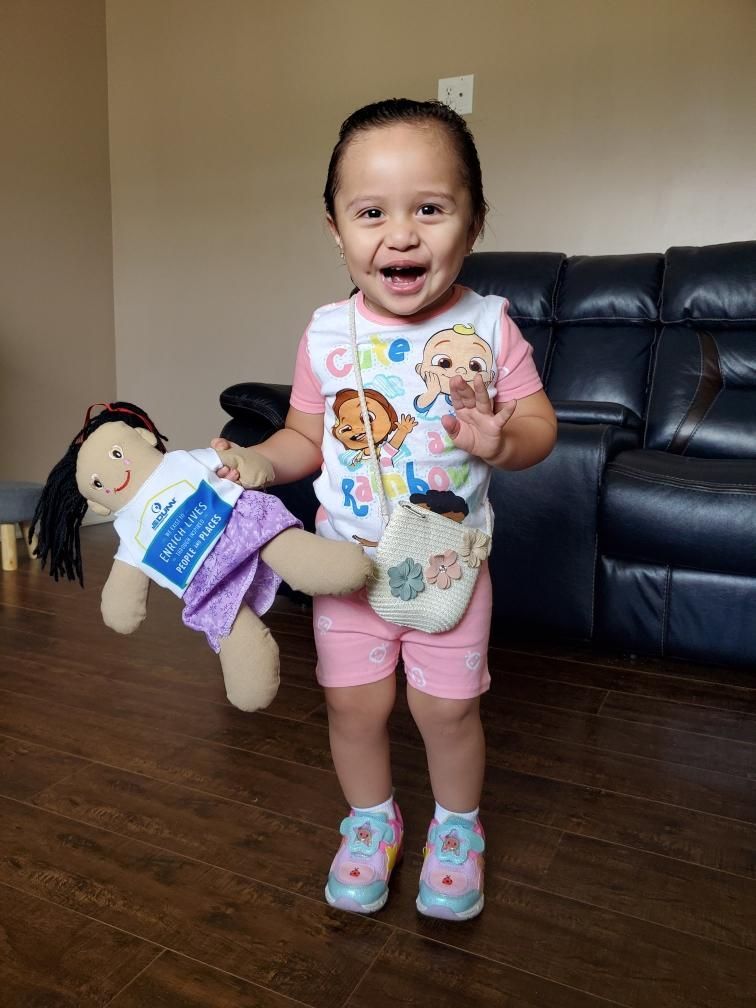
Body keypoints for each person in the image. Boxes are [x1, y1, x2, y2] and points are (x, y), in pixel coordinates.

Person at [214, 98, 557, 920]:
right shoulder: (327, 333)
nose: (400, 235)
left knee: (447, 709)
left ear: (473, 225)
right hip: (347, 566)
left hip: (444, 564)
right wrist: (260, 462)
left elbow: (541, 429)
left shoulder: (488, 326)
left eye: (430, 209)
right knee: (353, 705)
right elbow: (306, 436)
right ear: (335, 228)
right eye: (371, 212)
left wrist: (500, 442)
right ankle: (372, 822)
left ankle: (457, 827)